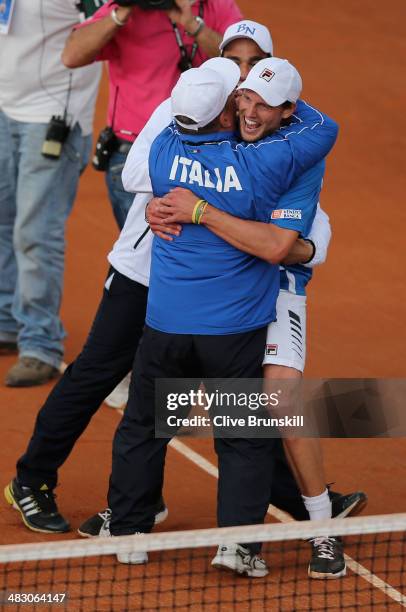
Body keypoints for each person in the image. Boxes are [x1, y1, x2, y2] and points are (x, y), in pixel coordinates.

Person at [4, 31, 365, 543]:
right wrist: (172, 198)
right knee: (99, 374)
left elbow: (294, 201)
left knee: (231, 396)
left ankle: (282, 500)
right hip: (143, 272)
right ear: (220, 61)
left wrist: (305, 246)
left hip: (212, 287)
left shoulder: (254, 116)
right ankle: (32, 480)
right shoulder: (193, 99)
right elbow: (133, 172)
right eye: (236, 60)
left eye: (255, 63)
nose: (244, 72)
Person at [100, 57, 344, 578]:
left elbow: (286, 249)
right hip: (232, 324)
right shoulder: (265, 164)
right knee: (240, 433)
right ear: (226, 111)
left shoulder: (166, 148)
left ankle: (129, 531)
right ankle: (238, 544)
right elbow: (326, 129)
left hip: (170, 317)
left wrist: (189, 208)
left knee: (147, 425)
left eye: (261, 102)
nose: (250, 111)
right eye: (242, 98)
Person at [61, 0, 243, 230]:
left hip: (211, 149)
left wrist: (191, 24)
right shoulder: (125, 8)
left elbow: (244, 62)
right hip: (136, 153)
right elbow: (71, 55)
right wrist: (122, 12)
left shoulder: (214, 6)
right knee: (141, 253)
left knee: (199, 245)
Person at [0, 0, 101, 387]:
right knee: (4, 221)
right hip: (7, 108)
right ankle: (8, 320)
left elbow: (105, 26)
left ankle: (40, 342)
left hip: (53, 115)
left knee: (35, 233)